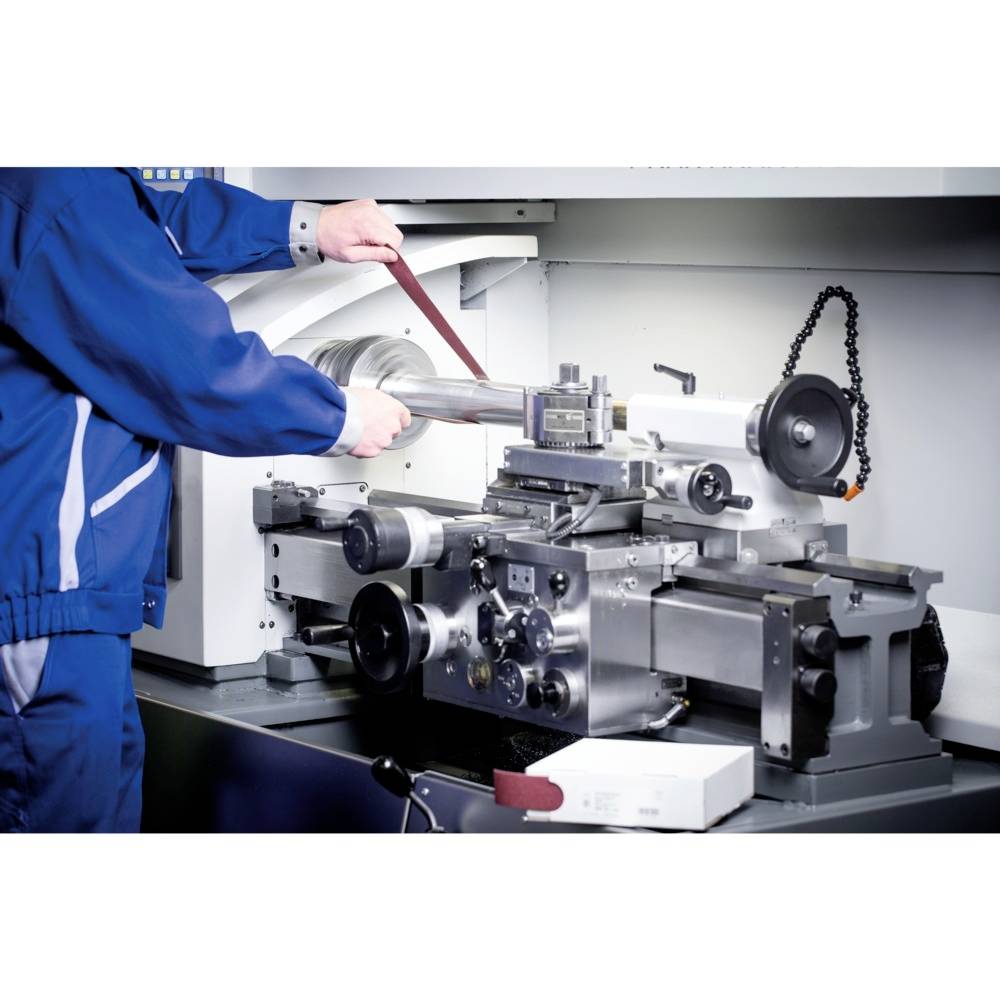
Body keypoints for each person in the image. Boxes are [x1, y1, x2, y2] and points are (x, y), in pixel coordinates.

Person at [0, 168, 411, 832]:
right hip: (41, 601)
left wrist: (304, 226)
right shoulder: (55, 182)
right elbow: (191, 368)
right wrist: (339, 416)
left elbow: (143, 223)